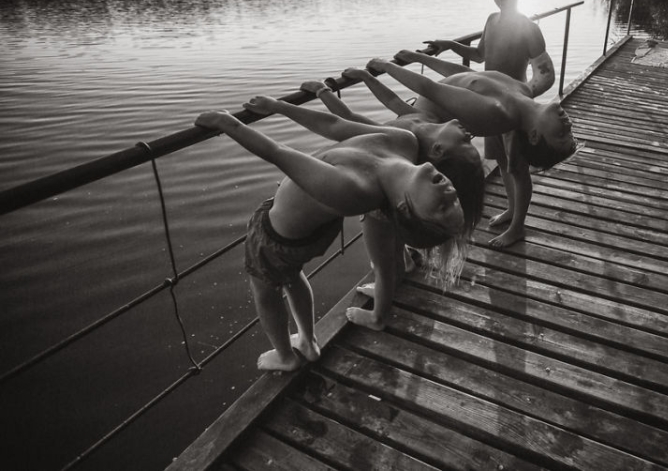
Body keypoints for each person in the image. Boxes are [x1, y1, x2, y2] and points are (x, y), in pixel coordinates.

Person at [195, 103, 467, 371]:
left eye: (443, 208)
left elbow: (277, 152)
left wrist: (227, 123)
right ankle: (308, 341)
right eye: (457, 202)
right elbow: (334, 125)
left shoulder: (354, 189)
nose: (451, 194)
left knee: (265, 293)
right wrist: (280, 106)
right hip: (308, 227)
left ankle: (286, 356)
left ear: (405, 209)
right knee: (291, 276)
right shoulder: (404, 141)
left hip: (276, 235)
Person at [297, 72, 485, 330]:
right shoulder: (425, 124)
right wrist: (366, 76)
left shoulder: (413, 137)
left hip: (381, 209)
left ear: (438, 151)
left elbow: (346, 122)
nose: (468, 131)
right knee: (392, 249)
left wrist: (323, 92)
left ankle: (378, 317)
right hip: (396, 199)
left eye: (465, 140)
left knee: (382, 264)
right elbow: (394, 101)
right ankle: (403, 267)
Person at [368, 50, 578, 247]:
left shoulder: (495, 112)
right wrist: (420, 58)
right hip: (423, 120)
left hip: (428, 131)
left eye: (560, 134)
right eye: (569, 131)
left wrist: (386, 66)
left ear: (533, 135)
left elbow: (430, 89)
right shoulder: (522, 91)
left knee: (394, 199)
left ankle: (407, 253)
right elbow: (464, 75)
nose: (568, 124)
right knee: (514, 167)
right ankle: (513, 218)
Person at [424, 0, 555, 98]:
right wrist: (451, 45)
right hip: (488, 98)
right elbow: (479, 55)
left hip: (513, 103)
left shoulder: (528, 28)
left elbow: (546, 76)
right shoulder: (491, 20)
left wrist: (521, 97)